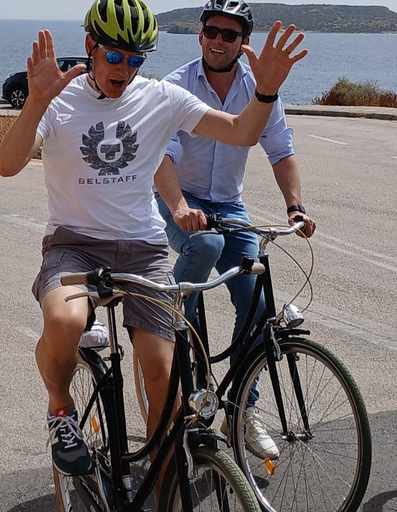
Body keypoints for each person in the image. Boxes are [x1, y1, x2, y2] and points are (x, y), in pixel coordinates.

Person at [0, 0, 307, 478]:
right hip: (72, 244)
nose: (125, 69)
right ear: (90, 48)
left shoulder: (161, 97)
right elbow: (7, 164)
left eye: (136, 59)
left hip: (143, 250)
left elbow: (243, 133)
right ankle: (61, 410)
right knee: (66, 320)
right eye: (115, 57)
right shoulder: (59, 100)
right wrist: (35, 101)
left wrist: (265, 90)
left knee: (166, 389)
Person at [154, 0, 316, 460]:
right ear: (200, 34)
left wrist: (295, 208)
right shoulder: (176, 86)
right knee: (203, 247)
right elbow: (160, 157)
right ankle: (189, 357)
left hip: (229, 203)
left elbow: (280, 150)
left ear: (243, 42)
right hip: (177, 200)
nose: (218, 41)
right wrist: (180, 205)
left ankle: (243, 408)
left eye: (230, 34)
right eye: (211, 31)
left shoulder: (258, 87)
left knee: (259, 302)